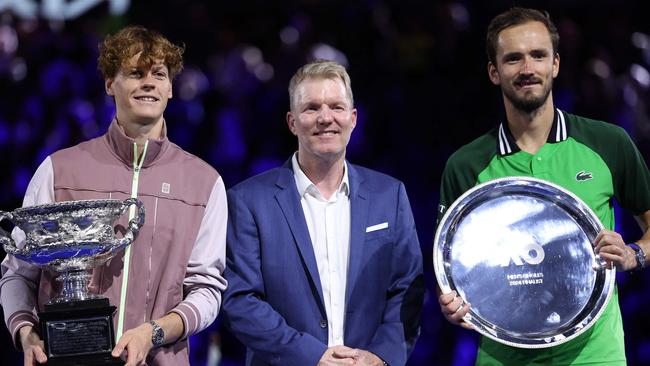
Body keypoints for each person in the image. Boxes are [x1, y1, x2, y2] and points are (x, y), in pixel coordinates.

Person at [0, 26, 227, 366]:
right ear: (110, 83)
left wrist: (152, 333)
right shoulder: (59, 169)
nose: (148, 83)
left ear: (170, 89)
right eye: (135, 73)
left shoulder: (204, 183)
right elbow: (18, 271)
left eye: (159, 74)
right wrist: (26, 333)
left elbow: (207, 291)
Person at [436, 7, 650, 366]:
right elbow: (451, 267)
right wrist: (452, 303)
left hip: (595, 356)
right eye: (513, 59)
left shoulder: (608, 143)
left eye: (538, 55)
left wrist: (635, 254)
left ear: (555, 64)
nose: (527, 69)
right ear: (494, 71)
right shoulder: (466, 164)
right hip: (502, 356)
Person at [222, 60, 424, 366]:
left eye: (336, 107)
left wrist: (379, 357)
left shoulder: (389, 195)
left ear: (353, 118)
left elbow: (407, 287)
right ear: (292, 122)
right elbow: (241, 301)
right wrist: (311, 356)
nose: (325, 118)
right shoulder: (248, 201)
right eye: (312, 108)